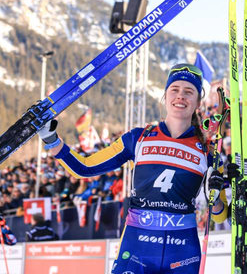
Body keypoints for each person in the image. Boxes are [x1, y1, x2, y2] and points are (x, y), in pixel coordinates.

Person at [39, 63, 229, 274]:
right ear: (165, 96)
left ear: (197, 103)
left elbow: (220, 216)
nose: (180, 96)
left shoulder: (208, 152)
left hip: (183, 249)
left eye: (188, 91)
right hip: (138, 244)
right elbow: (85, 168)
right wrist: (51, 139)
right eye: (174, 90)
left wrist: (215, 197)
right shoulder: (138, 138)